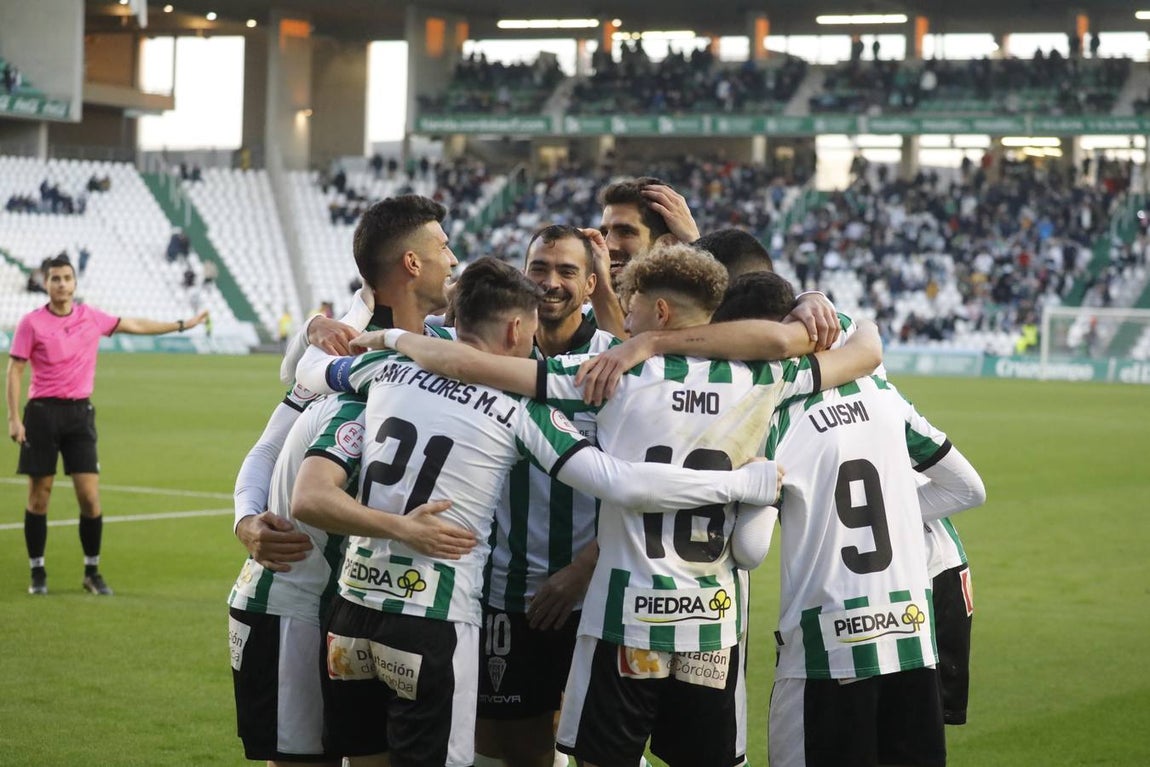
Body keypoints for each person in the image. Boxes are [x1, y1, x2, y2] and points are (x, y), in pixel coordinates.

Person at [368, 245, 883, 766]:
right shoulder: (769, 378)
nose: (622, 319)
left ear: (658, 312)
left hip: (625, 620)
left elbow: (468, 365)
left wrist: (390, 338)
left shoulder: (611, 375)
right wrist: (821, 303)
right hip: (711, 625)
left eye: (630, 305)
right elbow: (866, 346)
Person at [295, 257, 784, 767]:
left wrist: (321, 326)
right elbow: (622, 482)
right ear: (514, 327)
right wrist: (739, 483)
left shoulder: (383, 367)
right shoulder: (518, 408)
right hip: (431, 617)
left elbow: (306, 371)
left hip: (351, 614)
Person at [709, 271, 986, 767]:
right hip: (910, 637)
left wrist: (757, 492)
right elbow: (967, 487)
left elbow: (751, 551)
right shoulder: (879, 394)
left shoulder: (767, 417)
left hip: (824, 649)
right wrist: (899, 513)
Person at [228, 387, 477, 766]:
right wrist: (244, 517)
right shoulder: (355, 409)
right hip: (289, 610)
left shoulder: (369, 401)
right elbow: (279, 463)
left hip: (330, 610)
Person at [6, 253, 208, 596]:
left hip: (79, 415)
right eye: (55, 278)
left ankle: (91, 571)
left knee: (89, 496)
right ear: (46, 283)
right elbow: (15, 370)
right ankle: (37, 571)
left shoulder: (91, 318)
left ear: (74, 282)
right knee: (39, 496)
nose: (61, 284)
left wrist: (183, 324)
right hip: (41, 414)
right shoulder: (31, 323)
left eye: (67, 278)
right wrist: (13, 417)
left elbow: (137, 326)